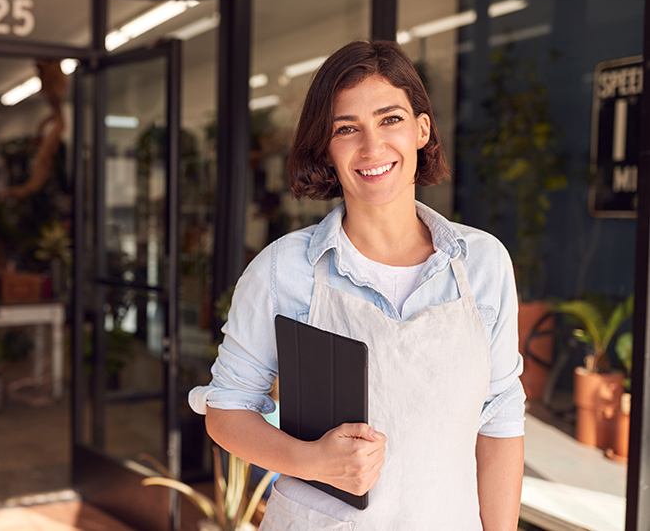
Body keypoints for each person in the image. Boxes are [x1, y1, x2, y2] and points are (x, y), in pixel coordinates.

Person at [189, 40, 525, 530]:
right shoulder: (283, 270)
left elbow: (500, 424)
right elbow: (225, 411)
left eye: (390, 119)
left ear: (421, 130)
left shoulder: (483, 264)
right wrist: (309, 461)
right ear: (327, 148)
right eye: (347, 129)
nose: (372, 148)